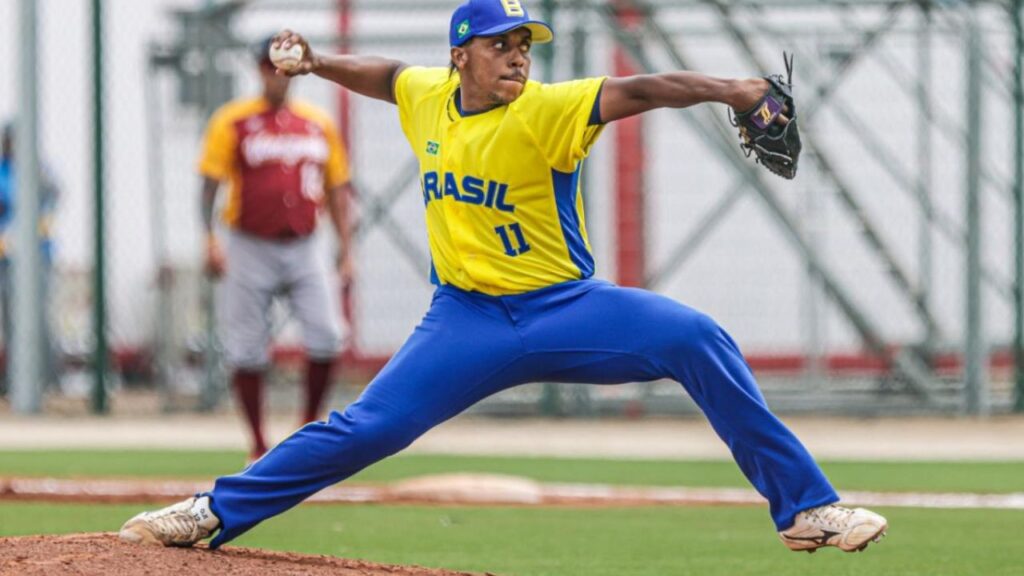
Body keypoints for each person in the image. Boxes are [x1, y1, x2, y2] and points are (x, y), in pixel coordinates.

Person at [120, 0, 888, 555]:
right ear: (462, 56)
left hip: (567, 308)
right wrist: (318, 61)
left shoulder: (547, 109)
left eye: (524, 43)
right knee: (369, 428)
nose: (519, 56)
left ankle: (806, 509)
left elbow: (647, 88)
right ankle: (212, 511)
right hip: (466, 321)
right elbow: (387, 75)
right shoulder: (429, 97)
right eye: (500, 44)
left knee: (696, 337)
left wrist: (737, 89)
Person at [197, 36, 354, 461]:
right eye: (270, 67)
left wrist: (346, 248)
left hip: (306, 242)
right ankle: (258, 443)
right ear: (259, 70)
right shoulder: (233, 120)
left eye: (284, 68)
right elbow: (209, 184)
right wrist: (209, 239)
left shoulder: (317, 122)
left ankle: (306, 429)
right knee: (246, 345)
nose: (277, 76)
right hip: (248, 243)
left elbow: (338, 188)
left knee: (327, 334)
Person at [0, 121, 61, 396]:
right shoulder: (3, 172)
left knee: (41, 318)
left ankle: (49, 380)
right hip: (6, 256)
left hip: (38, 257)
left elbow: (52, 201)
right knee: (12, 318)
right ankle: (16, 380)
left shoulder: (39, 171)